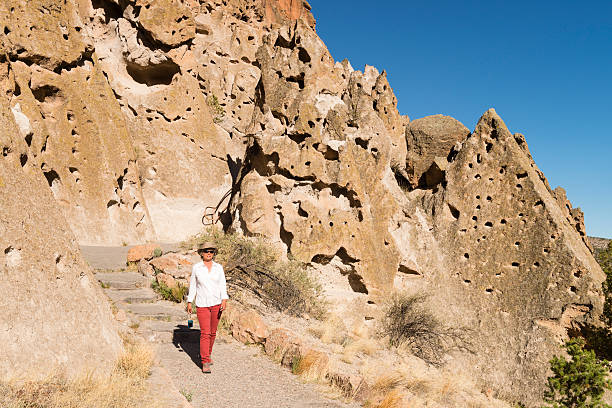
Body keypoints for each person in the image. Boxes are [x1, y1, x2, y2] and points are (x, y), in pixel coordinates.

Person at [186, 241, 228, 373]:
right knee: (205, 332)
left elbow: (222, 284)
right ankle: (205, 361)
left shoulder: (218, 267)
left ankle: (207, 354)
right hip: (202, 304)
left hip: (216, 303)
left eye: (211, 251)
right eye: (206, 251)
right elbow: (193, 285)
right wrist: (189, 301)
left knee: (213, 332)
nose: (208, 253)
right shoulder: (196, 268)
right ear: (201, 253)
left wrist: (224, 299)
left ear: (214, 253)